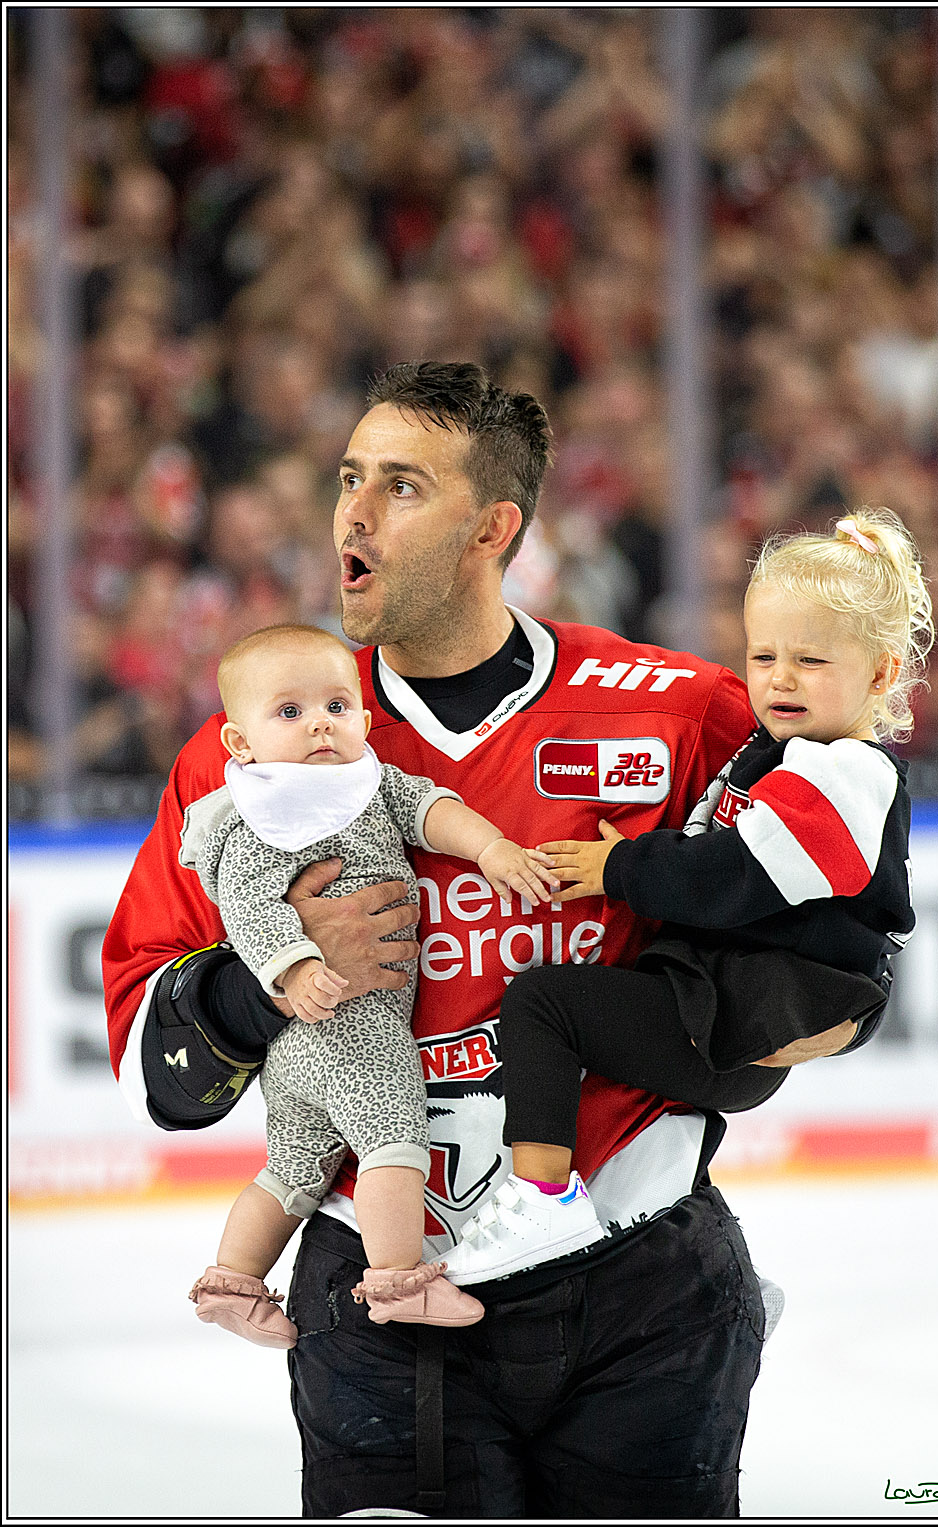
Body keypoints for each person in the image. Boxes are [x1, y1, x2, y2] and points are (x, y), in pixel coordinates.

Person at [103, 361, 858, 1519]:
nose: (351, 512)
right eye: (349, 477)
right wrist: (279, 983)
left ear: (493, 527)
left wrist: (742, 1033)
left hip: (644, 1283)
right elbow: (148, 1053)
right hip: (373, 1292)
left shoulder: (673, 708)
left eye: (400, 486)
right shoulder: (251, 754)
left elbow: (840, 924)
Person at [435, 508, 932, 1285]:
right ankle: (707, 1281)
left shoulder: (849, 773)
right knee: (618, 1061)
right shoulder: (779, 757)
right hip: (733, 1005)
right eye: (762, 655)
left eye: (809, 659)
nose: (779, 678)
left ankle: (542, 1199)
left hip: (751, 1010)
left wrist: (619, 867)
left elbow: (733, 874)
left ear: (879, 673)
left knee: (545, 1006)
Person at [182, 622, 558, 1343]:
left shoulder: (370, 781)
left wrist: (490, 846)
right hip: (351, 1020)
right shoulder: (260, 814)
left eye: (336, 705)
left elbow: (430, 809)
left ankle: (233, 1278)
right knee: (393, 1137)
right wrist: (294, 967)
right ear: (239, 743)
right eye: (289, 713)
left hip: (297, 1050)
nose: (320, 724)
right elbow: (250, 903)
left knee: (293, 1165)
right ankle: (396, 1277)